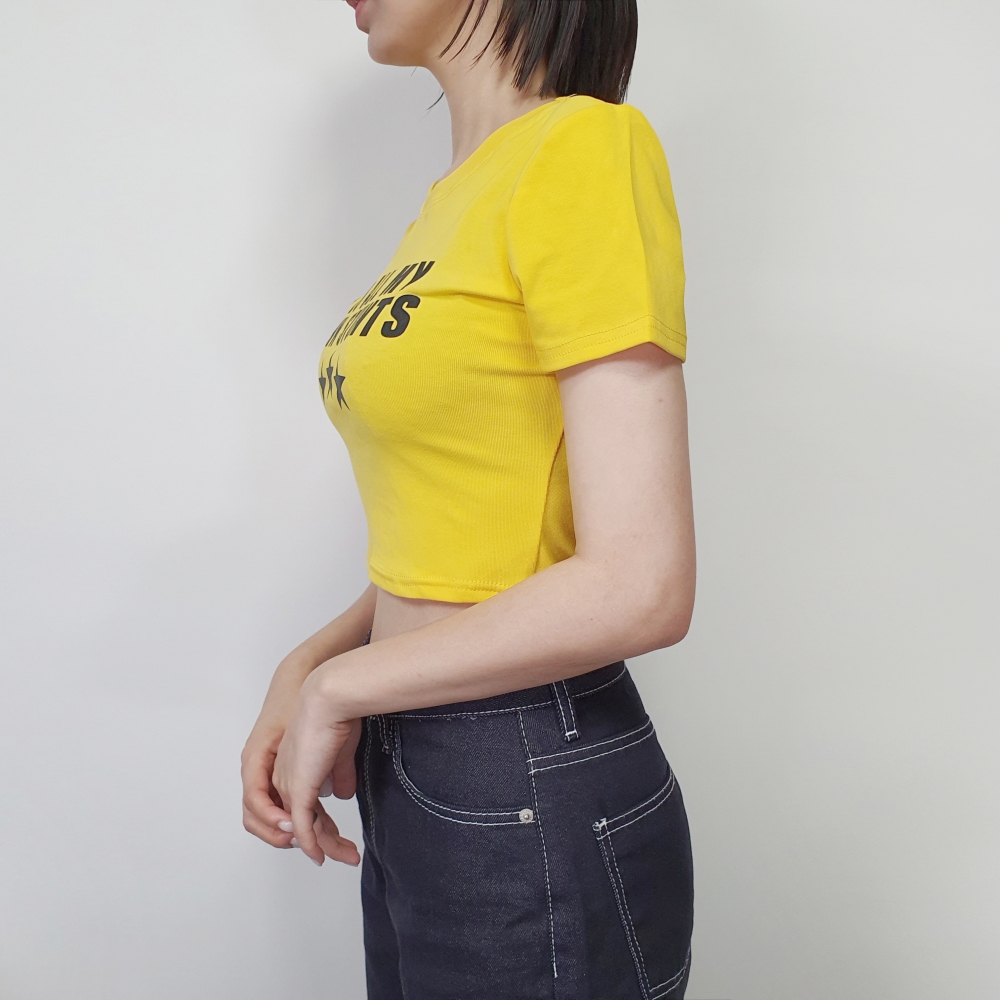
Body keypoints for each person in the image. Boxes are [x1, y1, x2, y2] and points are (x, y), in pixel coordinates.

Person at [241, 1, 696, 996]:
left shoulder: (584, 146)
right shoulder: (452, 199)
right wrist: (312, 661)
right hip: (420, 761)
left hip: (522, 760)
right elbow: (470, 536)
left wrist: (341, 689)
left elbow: (642, 584)